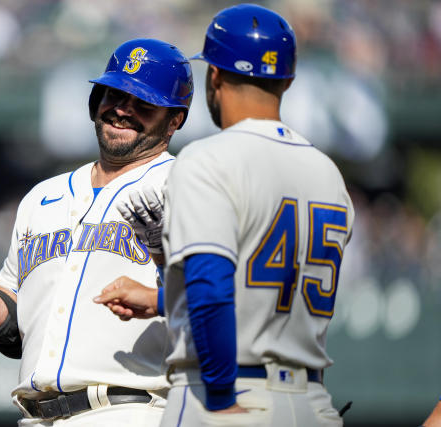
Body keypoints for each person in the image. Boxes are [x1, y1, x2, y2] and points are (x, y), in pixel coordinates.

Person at [0, 38, 193, 426]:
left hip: (131, 408)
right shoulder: (43, 197)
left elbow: (218, 302)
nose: (123, 110)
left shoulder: (187, 186)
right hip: (35, 414)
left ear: (175, 118)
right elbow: (14, 327)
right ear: (96, 101)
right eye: (114, 94)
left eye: (143, 102)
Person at [95, 5, 355, 426]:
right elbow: (265, 294)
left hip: (227, 392)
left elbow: (211, 288)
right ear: (286, 79)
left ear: (214, 76)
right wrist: (162, 300)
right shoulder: (327, 172)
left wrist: (218, 397)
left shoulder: (207, 158)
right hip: (311, 400)